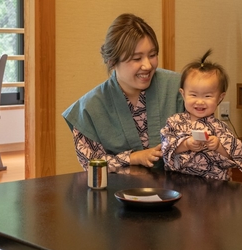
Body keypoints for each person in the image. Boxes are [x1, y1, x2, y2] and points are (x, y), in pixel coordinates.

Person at [63, 13, 184, 174]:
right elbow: (91, 165)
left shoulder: (179, 87)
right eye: (136, 58)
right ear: (112, 61)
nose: (147, 65)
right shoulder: (89, 108)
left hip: (178, 191)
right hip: (118, 194)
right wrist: (132, 158)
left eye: (152, 55)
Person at [161, 50, 242, 181]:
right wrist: (186, 144)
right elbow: (166, 147)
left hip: (213, 183)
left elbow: (235, 153)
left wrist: (218, 146)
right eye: (193, 95)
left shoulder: (220, 127)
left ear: (220, 98)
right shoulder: (174, 121)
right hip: (179, 181)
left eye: (207, 96)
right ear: (183, 94)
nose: (200, 101)